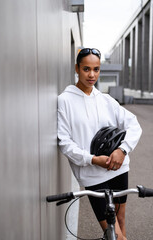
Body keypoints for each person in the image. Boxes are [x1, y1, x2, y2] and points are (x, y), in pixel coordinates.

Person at [57, 48, 142, 240]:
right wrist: (93, 159)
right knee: (115, 234)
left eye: (96, 69)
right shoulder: (65, 100)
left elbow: (133, 124)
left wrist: (122, 150)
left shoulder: (106, 100)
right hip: (92, 176)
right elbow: (64, 142)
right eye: (86, 69)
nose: (92, 75)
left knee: (120, 223)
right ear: (77, 68)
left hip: (118, 169)